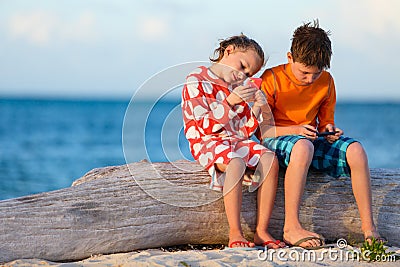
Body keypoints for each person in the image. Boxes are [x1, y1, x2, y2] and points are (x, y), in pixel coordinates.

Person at [258, 20, 383, 249]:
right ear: (290, 57)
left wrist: (329, 130)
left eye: (316, 74)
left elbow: (325, 122)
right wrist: (295, 131)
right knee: (303, 146)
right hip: (277, 141)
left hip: (310, 141)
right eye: (304, 72)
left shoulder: (326, 82)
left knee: (356, 150)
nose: (309, 79)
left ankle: (370, 229)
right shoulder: (272, 79)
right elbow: (263, 131)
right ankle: (291, 227)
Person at [181, 34, 285, 249]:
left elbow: (244, 132)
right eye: (243, 66)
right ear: (228, 51)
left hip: (233, 140)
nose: (243, 75)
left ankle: (261, 230)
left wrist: (256, 107)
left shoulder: (235, 87)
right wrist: (230, 101)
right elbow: (204, 127)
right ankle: (235, 232)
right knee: (236, 162)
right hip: (206, 141)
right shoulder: (196, 79)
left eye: (249, 73)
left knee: (269, 158)